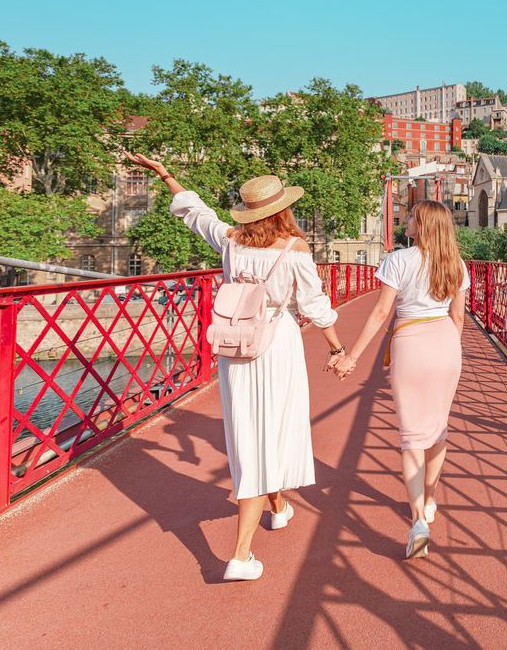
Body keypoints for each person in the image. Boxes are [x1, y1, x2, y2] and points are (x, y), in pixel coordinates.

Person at [124, 152, 346, 582]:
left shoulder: (231, 241)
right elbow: (316, 307)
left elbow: (196, 212)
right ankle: (240, 555)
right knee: (272, 434)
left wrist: (164, 173)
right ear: (284, 210)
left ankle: (279, 506)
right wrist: (337, 349)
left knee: (250, 432)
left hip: (235, 346)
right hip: (276, 345)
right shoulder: (295, 249)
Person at [335, 200, 468, 560]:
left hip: (410, 343)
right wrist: (449, 352)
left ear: (420, 224)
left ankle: (418, 523)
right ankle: (429, 500)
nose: (406, 221)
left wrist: (352, 356)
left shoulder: (397, 260)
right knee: (438, 429)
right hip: (445, 344)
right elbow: (458, 316)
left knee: (412, 436)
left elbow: (381, 312)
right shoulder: (457, 264)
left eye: (410, 217)